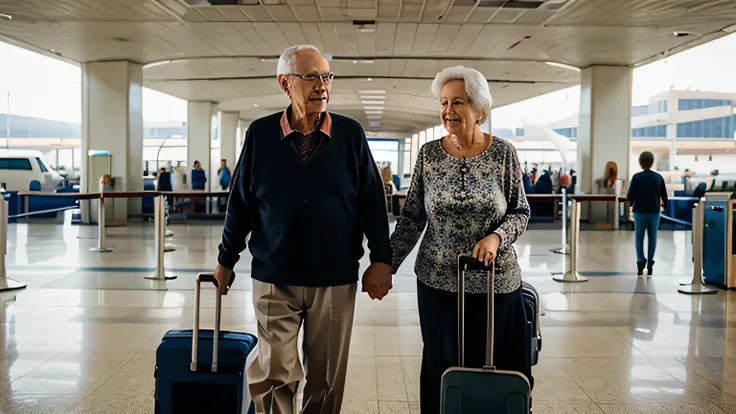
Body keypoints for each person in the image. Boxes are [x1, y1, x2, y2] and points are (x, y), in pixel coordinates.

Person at [214, 44, 393, 414]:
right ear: (285, 83)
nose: (322, 86)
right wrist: (226, 259)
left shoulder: (350, 134)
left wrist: (381, 259)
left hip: (334, 277)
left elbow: (373, 202)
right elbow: (241, 204)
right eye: (310, 76)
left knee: (325, 379)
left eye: (326, 76)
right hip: (273, 275)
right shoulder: (262, 134)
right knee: (274, 371)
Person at [390, 65, 533, 414]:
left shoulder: (503, 153)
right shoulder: (428, 155)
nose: (448, 111)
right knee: (441, 365)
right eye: (443, 102)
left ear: (480, 110)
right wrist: (385, 264)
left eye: (458, 102)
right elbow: (412, 218)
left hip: (495, 283)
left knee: (497, 365)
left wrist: (497, 237)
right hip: (438, 283)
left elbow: (520, 211)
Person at [627, 150, 668, 276]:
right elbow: (664, 196)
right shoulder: (658, 177)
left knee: (639, 237)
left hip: (639, 211)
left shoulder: (636, 177)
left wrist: (630, 203)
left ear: (640, 162)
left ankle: (640, 262)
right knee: (652, 236)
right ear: (652, 162)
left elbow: (630, 195)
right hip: (654, 211)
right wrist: (664, 205)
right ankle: (650, 263)